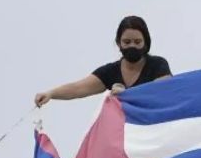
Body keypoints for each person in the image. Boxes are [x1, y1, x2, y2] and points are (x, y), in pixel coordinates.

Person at [34, 16, 172, 107]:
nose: (132, 46)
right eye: (127, 42)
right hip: (125, 138)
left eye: (137, 42)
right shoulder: (110, 72)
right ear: (118, 43)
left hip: (152, 130)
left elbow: (164, 91)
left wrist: (126, 95)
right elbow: (78, 88)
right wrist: (51, 94)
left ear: (146, 43)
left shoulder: (158, 65)